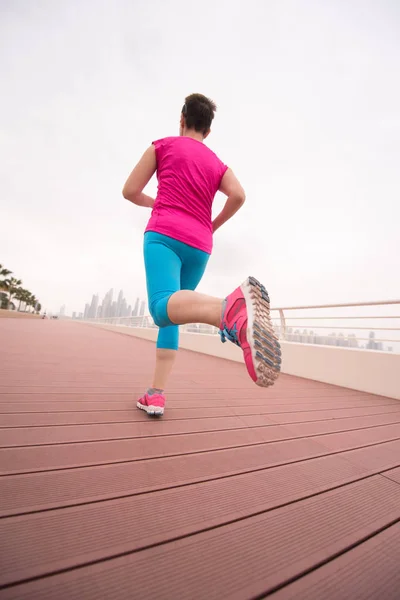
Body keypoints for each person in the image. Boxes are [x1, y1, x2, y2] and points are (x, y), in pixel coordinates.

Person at [123, 93, 281, 416]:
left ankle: (229, 311)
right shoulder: (216, 163)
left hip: (164, 236)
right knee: (175, 311)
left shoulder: (162, 146)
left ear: (181, 120)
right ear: (208, 131)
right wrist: (213, 225)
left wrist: (155, 204)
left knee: (161, 308)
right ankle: (156, 393)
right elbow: (238, 194)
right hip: (200, 246)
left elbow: (129, 190)